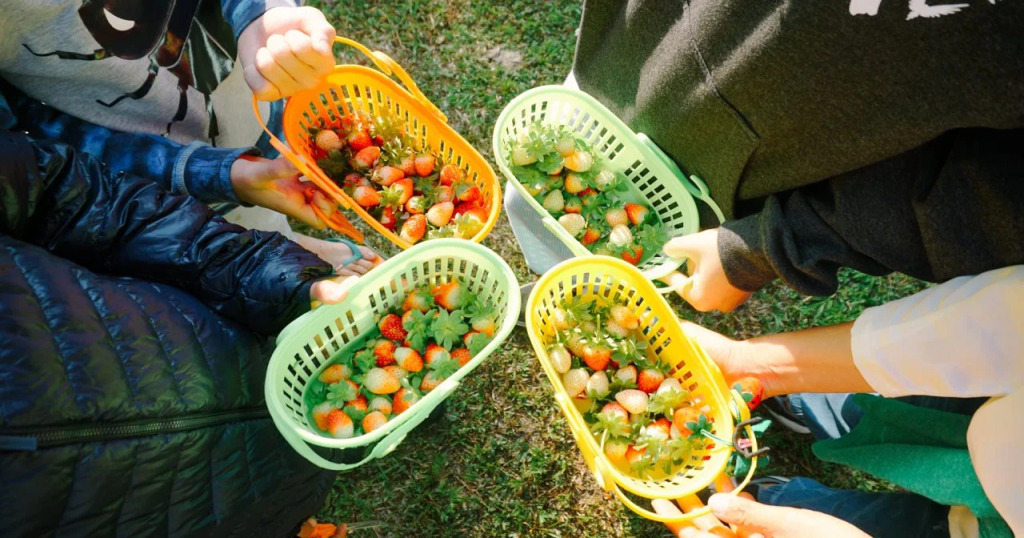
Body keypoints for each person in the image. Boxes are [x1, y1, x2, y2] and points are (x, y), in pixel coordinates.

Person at [505, 0, 1024, 311]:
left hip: (748, 162)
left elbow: (988, 191)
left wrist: (765, 245)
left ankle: (579, 291)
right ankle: (550, 267)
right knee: (548, 184)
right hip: (638, 45)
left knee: (625, 242)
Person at [0, 87, 357, 535]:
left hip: (225, 347)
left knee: (313, 443)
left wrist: (266, 273)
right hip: (214, 516)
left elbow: (81, 201)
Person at [0, 0, 378, 273]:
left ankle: (276, 226)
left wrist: (258, 14)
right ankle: (278, 239)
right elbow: (31, 142)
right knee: (231, 211)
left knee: (270, 170)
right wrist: (204, 171)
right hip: (145, 150)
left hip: (242, 84)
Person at [651, 265, 1024, 537]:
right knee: (887, 407)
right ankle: (808, 403)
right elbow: (1001, 325)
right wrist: (761, 369)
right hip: (993, 403)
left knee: (830, 520)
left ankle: (767, 499)